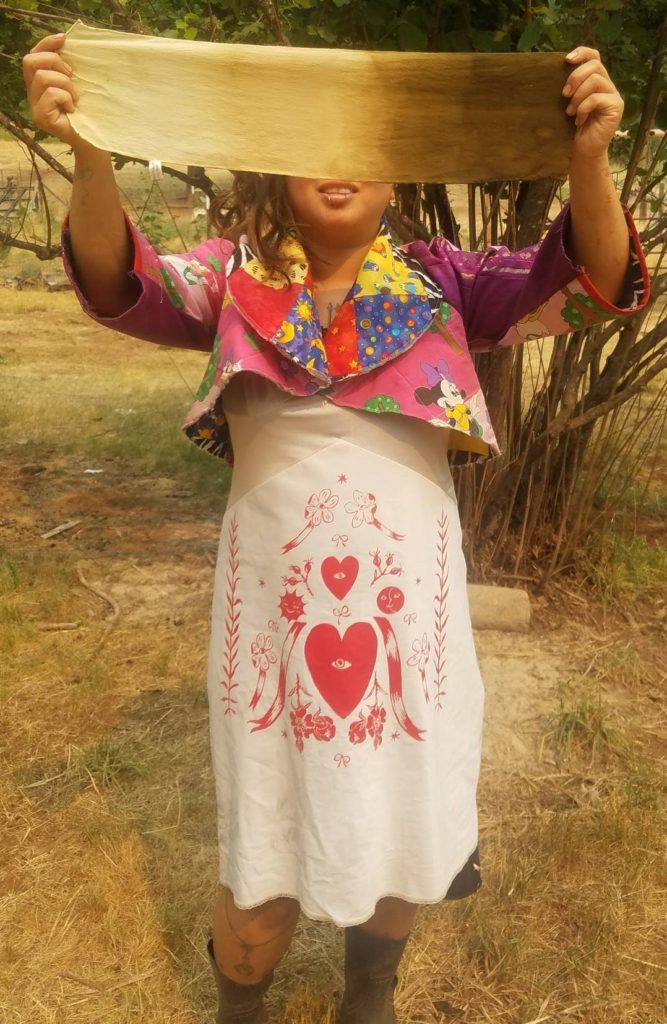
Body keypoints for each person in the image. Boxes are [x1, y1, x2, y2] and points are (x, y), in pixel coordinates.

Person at [23, 32, 649, 1024]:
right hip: (272, 633)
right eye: (311, 136)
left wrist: (587, 158)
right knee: (262, 859)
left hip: (407, 633)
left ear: (399, 165)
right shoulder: (232, 282)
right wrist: (91, 149)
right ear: (275, 155)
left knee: (400, 820)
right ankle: (243, 1006)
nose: (338, 157)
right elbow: (115, 281)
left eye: (362, 136)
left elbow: (595, 282)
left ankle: (370, 998)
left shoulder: (446, 283)